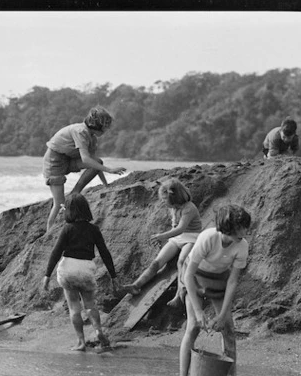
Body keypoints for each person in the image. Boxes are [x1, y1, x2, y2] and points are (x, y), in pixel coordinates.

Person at [178, 204, 251, 376]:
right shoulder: (208, 237)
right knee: (193, 326)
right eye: (239, 229)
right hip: (194, 277)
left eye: (245, 228)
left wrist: (222, 315)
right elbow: (188, 275)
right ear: (227, 228)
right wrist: (198, 311)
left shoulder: (242, 246)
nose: (243, 232)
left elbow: (232, 281)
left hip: (219, 280)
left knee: (228, 327)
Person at [42, 193, 119, 351]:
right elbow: (105, 253)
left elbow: (56, 252)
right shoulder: (94, 229)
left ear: (68, 211)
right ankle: (98, 330)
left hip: (68, 269)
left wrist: (47, 275)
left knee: (74, 307)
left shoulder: (67, 229)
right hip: (85, 269)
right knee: (90, 304)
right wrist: (113, 276)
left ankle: (81, 342)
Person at [43, 106, 127, 232]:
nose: (105, 132)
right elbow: (86, 160)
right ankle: (49, 231)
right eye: (105, 128)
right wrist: (109, 170)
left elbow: (93, 162)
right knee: (59, 202)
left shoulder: (92, 137)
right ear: (97, 125)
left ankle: (75, 193)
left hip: (68, 159)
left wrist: (106, 185)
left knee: (97, 161)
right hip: (54, 161)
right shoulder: (80, 131)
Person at [122, 179, 202, 309]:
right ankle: (136, 285)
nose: (163, 202)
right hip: (177, 238)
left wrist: (162, 236)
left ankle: (178, 295)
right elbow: (174, 228)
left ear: (173, 198)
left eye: (165, 199)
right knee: (157, 262)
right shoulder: (174, 208)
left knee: (181, 262)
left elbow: (181, 228)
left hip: (192, 237)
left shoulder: (189, 208)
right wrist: (165, 239)